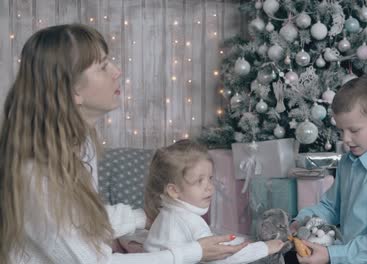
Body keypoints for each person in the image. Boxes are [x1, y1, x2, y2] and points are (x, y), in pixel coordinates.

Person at [0, 24, 246, 264]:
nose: (117, 71)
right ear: (73, 90)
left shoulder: (81, 143)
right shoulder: (38, 175)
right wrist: (193, 252)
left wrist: (144, 217)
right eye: (103, 66)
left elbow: (81, 220)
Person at [290, 77, 367, 264]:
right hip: (349, 257)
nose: (345, 139)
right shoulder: (348, 162)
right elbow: (330, 206)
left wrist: (332, 255)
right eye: (341, 131)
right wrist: (299, 222)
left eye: (354, 130)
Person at [143, 139, 285, 263]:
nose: (210, 187)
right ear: (174, 191)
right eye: (200, 181)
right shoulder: (189, 221)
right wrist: (265, 248)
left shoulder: (166, 214)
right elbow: (222, 255)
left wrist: (244, 242)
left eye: (210, 178)